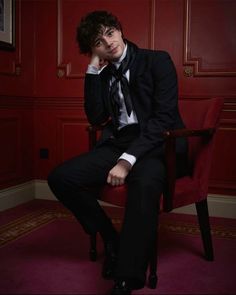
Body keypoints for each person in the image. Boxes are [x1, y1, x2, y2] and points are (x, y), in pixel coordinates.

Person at [48, 10, 188, 295]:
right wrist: (92, 71)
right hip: (120, 142)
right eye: (99, 41)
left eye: (110, 32)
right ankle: (110, 238)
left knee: (144, 182)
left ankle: (127, 278)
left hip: (160, 143)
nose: (108, 42)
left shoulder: (156, 60)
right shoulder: (104, 73)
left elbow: (163, 119)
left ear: (119, 30)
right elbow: (97, 118)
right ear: (94, 50)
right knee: (60, 178)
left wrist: (127, 161)